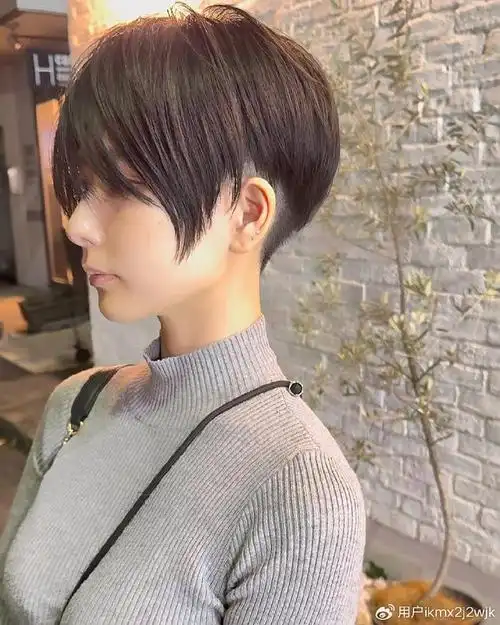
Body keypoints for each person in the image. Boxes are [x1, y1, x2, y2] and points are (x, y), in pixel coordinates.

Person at [0, 4, 366, 624]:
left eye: (120, 186)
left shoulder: (298, 491)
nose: (77, 223)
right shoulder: (77, 406)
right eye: (80, 186)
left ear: (248, 214)